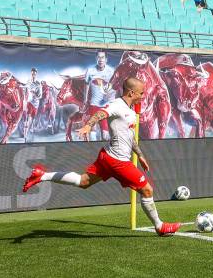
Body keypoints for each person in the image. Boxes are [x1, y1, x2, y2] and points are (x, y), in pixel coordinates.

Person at [22, 77, 181, 235]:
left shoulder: (130, 111)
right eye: (141, 92)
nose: (143, 95)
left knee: (82, 181)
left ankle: (42, 176)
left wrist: (140, 155)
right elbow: (100, 113)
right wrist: (88, 125)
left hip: (107, 157)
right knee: (147, 190)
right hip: (117, 161)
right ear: (131, 92)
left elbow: (129, 136)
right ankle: (160, 226)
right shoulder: (117, 105)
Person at [84, 51, 116, 141]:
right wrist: (85, 99)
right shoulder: (90, 71)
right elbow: (86, 85)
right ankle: (93, 151)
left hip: (105, 106)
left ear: (106, 59)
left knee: (105, 134)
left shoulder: (111, 71)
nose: (100, 59)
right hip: (93, 104)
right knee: (92, 130)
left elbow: (114, 87)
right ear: (96, 59)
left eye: (102, 57)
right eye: (99, 57)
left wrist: (109, 96)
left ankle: (105, 151)